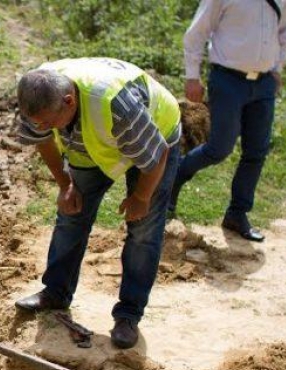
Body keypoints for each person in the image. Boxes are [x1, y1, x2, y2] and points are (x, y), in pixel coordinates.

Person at [14, 58, 181, 349]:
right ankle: (55, 292)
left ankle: (129, 315)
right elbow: (43, 141)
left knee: (143, 229)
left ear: (68, 102)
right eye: (36, 122)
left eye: (49, 123)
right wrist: (66, 185)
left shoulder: (116, 105)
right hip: (92, 144)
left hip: (154, 139)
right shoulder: (37, 95)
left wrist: (140, 198)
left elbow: (156, 155)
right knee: (70, 213)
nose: (42, 127)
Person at [169, 0, 286, 242]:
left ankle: (237, 214)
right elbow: (196, 33)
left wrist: (278, 67)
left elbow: (285, 28)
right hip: (228, 80)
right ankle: (175, 177)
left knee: (256, 151)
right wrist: (192, 76)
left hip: (264, 83)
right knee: (219, 148)